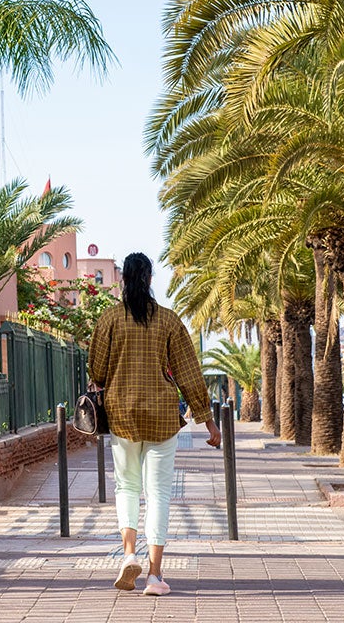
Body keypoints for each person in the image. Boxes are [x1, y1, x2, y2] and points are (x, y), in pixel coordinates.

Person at [88, 252, 220, 596]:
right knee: (159, 492)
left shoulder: (109, 320)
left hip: (122, 416)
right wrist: (209, 424)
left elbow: (97, 372)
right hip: (162, 415)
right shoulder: (169, 321)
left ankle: (129, 554)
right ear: (148, 279)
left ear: (123, 280)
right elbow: (189, 373)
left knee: (127, 487)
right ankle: (154, 576)